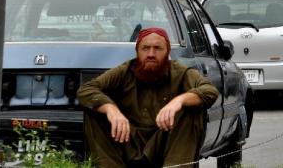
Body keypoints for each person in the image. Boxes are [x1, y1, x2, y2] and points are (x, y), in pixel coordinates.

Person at [77, 27, 219, 168]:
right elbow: (86, 90)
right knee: (95, 108)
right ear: (137, 51)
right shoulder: (124, 71)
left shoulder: (181, 73)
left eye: (158, 48)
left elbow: (210, 91)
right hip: (127, 140)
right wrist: (111, 110)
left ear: (167, 51)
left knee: (191, 108)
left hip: (164, 144)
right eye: (145, 48)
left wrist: (178, 101)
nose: (151, 54)